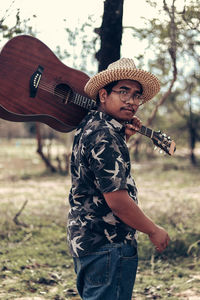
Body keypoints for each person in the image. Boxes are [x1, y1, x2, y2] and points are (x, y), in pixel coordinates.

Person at [67, 58, 170, 300]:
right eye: (123, 91)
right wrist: (153, 230)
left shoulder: (90, 126)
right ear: (103, 95)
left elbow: (99, 176)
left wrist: (122, 137)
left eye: (136, 95)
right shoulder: (105, 137)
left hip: (88, 243)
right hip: (108, 244)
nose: (131, 101)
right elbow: (117, 201)